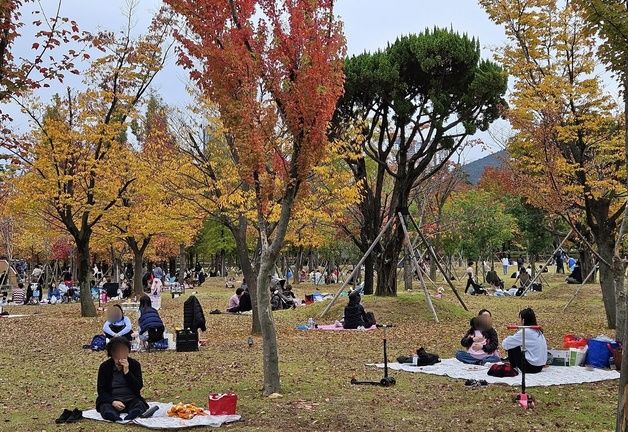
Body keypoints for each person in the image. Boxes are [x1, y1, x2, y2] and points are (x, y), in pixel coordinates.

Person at [96, 337, 149, 422]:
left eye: (124, 351)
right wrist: (113, 401)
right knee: (105, 407)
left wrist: (127, 372)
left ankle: (133, 414)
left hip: (131, 398)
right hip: (112, 399)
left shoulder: (134, 364)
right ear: (111, 353)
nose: (120, 354)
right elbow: (101, 391)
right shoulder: (105, 367)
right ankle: (112, 415)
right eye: (117, 351)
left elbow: (138, 387)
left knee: (139, 405)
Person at [502, 308, 547, 374]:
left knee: (513, 346)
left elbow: (505, 344)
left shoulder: (525, 331)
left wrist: (511, 338)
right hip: (540, 366)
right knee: (515, 343)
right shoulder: (538, 331)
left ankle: (513, 367)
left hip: (530, 367)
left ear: (523, 320)